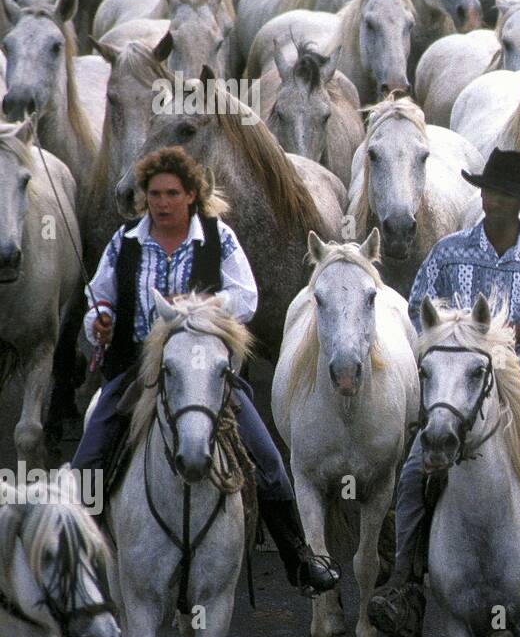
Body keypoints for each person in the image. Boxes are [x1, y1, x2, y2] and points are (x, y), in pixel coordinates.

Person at [367, 147, 520, 637]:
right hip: (459, 390)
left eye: (503, 194)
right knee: (412, 474)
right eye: (489, 190)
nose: (492, 200)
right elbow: (418, 312)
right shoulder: (449, 252)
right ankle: (406, 585)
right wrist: (451, 340)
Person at [74, 146, 339, 595]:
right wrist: (98, 318)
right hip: (139, 370)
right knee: (87, 461)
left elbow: (246, 297)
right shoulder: (125, 242)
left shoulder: (219, 239)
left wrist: (201, 309)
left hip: (206, 372)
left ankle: (299, 559)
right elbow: (99, 296)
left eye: (172, 193)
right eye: (155, 193)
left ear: (191, 194)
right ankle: (80, 566)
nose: (162, 202)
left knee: (270, 461)